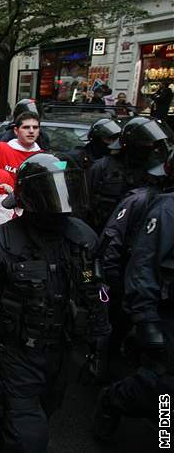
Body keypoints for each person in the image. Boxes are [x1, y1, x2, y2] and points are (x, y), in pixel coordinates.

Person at [0, 153, 110, 453]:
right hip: (18, 356)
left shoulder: (83, 237)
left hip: (63, 353)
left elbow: (96, 294)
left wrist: (98, 348)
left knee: (40, 413)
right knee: (29, 438)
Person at [92, 150, 174, 440]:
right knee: (161, 383)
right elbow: (140, 261)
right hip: (155, 305)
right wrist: (144, 316)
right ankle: (114, 401)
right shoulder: (162, 208)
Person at [87, 117, 173, 233]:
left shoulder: (156, 168)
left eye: (153, 143)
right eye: (147, 142)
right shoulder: (103, 167)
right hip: (102, 231)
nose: (151, 146)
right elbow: (85, 203)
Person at [0, 112, 44, 176]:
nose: (31, 131)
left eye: (35, 127)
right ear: (16, 131)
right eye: (26, 127)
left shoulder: (43, 157)